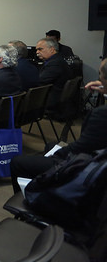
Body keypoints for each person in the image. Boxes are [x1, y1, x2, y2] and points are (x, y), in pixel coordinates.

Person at [10, 58, 107, 193]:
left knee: (17, 162)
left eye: (100, 73)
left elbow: (81, 147)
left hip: (85, 165)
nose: (98, 76)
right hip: (95, 158)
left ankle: (29, 199)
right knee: (50, 145)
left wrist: (56, 155)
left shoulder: (101, 114)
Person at [36, 37, 72, 109]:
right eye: (36, 50)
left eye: (40, 49)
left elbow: (40, 81)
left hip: (51, 100)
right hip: (55, 97)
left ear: (52, 49)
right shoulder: (57, 60)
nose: (37, 52)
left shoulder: (55, 63)